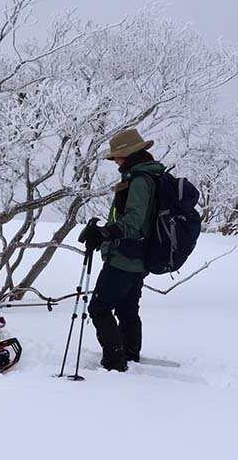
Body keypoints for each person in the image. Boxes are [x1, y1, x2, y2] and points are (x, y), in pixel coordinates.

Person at [81, 128, 165, 372]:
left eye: (118, 156)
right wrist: (104, 234)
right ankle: (130, 355)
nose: (116, 161)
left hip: (125, 258)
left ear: (130, 154)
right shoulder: (148, 176)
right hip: (139, 258)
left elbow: (135, 220)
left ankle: (116, 361)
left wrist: (105, 233)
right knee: (127, 309)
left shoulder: (140, 180)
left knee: (99, 307)